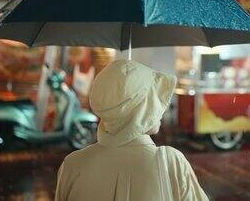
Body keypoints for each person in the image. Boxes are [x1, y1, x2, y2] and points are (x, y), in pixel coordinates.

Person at [55, 59, 208, 201]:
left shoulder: (73, 164)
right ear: (141, 108)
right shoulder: (171, 162)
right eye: (153, 99)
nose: (162, 108)